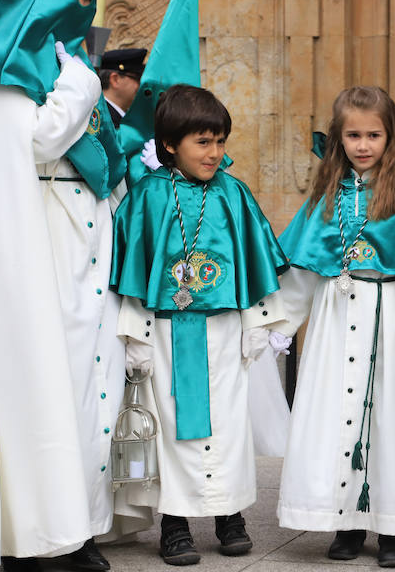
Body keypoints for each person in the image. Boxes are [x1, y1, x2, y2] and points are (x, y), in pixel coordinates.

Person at [275, 86, 395, 568]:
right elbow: (302, 271)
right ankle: (347, 523)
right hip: (335, 319)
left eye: (373, 134)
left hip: (391, 317)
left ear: (390, 137)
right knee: (335, 418)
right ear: (338, 139)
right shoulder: (326, 196)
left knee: (393, 420)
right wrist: (278, 324)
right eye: (352, 135)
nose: (362, 145)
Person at [110, 84, 290, 565]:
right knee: (173, 428)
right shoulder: (148, 196)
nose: (215, 153)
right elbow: (133, 271)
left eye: (220, 141)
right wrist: (137, 334)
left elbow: (255, 266)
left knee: (230, 426)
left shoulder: (234, 194)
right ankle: (175, 524)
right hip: (169, 333)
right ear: (170, 144)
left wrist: (260, 322)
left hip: (224, 330)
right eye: (203, 142)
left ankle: (230, 516)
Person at [0, 0, 110, 570]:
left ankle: (63, 524)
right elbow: (41, 140)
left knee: (72, 387)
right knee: (39, 381)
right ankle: (41, 531)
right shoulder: (8, 86)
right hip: (32, 250)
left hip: (64, 239)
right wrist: (80, 82)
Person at [98, 48, 146, 128]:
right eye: (137, 79)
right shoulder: (106, 122)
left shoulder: (109, 116)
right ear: (115, 80)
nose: (141, 85)